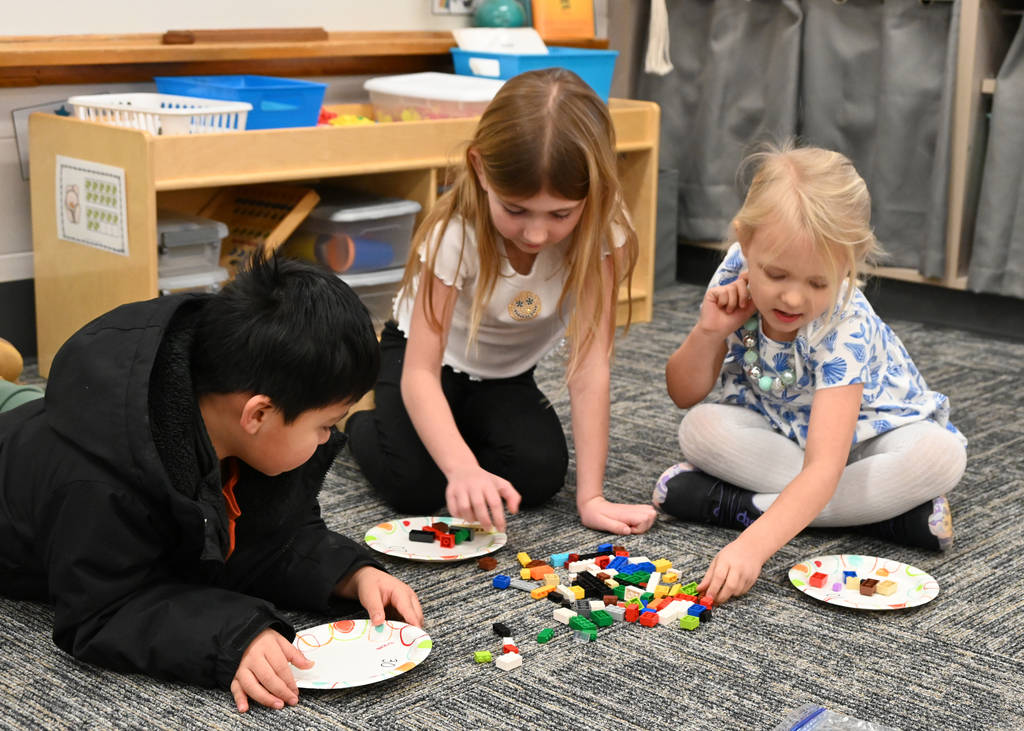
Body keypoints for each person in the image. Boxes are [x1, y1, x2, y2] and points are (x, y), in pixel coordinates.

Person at [0, 251, 423, 713]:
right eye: (325, 425)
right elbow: (102, 610)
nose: (329, 440)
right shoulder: (102, 486)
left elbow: (270, 537)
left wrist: (346, 572)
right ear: (258, 413)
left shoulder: (239, 424)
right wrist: (231, 636)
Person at [346, 68, 657, 536]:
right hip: (421, 363)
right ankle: (356, 420)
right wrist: (461, 468)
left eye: (560, 215)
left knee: (538, 475)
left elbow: (590, 366)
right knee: (413, 486)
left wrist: (591, 496)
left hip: (505, 374)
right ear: (480, 168)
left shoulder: (601, 234)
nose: (536, 234)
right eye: (515, 209)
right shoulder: (456, 235)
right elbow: (420, 374)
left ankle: (459, 436)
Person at [657, 143, 967, 604]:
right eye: (776, 275)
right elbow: (684, 392)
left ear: (850, 261)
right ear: (744, 240)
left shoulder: (847, 325)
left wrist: (752, 546)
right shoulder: (734, 272)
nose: (794, 300)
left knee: (939, 458)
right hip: (777, 427)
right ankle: (885, 519)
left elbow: (825, 467)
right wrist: (708, 332)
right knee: (699, 428)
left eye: (819, 282)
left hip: (868, 437)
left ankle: (743, 509)